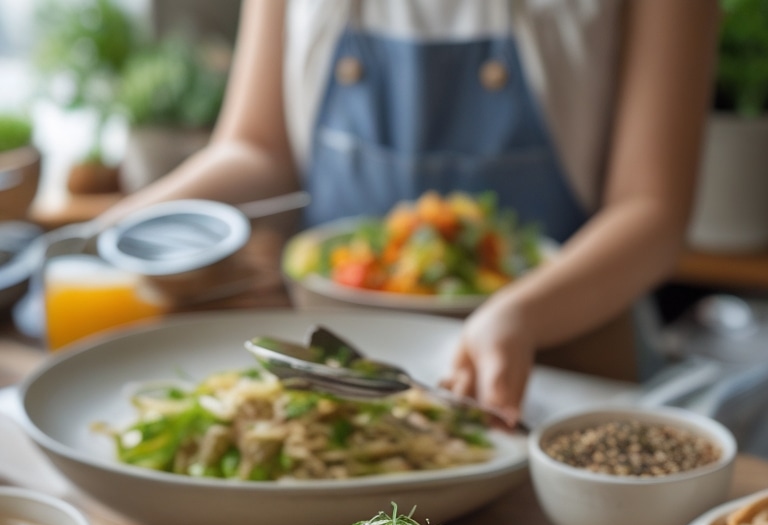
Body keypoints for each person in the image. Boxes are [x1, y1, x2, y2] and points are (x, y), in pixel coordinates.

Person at [104, 0, 720, 426]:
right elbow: (259, 148)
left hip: (554, 380)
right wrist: (124, 227)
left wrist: (516, 315)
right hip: (337, 374)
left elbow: (652, 211)